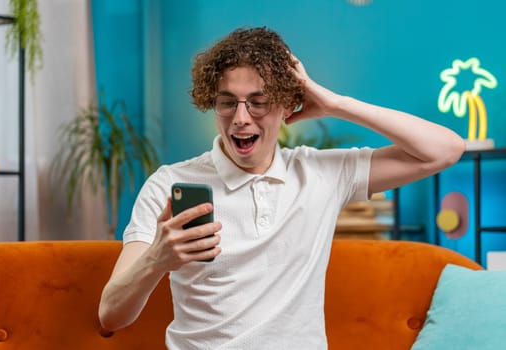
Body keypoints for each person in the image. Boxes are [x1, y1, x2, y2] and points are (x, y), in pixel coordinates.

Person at [98, 27, 465, 349]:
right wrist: (157, 260)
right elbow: (110, 315)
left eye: (259, 102)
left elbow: (445, 150)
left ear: (287, 105)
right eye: (228, 102)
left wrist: (335, 104)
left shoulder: (321, 173)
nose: (241, 118)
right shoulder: (169, 183)